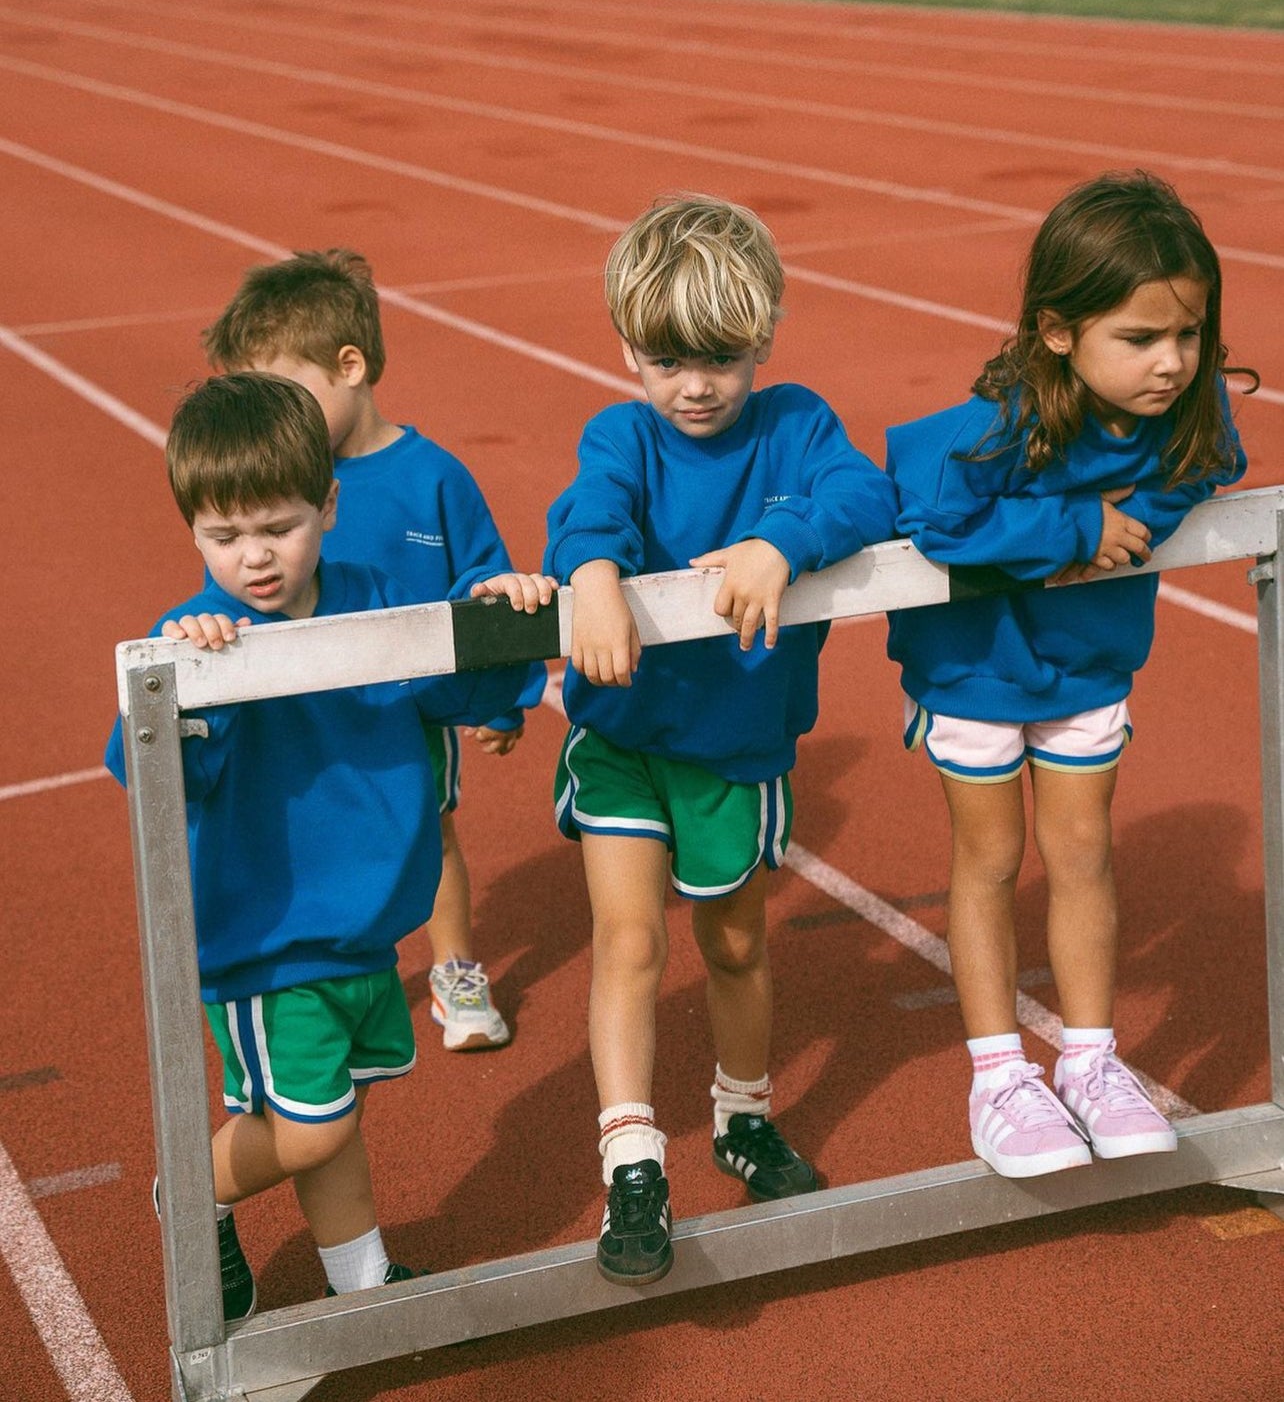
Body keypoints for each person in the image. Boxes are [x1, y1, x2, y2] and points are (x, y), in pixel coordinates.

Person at [106, 373, 552, 1320]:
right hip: (269, 940)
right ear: (192, 531)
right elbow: (140, 768)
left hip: (364, 930)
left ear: (330, 506)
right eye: (224, 538)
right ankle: (187, 1195)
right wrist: (192, 677)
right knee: (311, 1131)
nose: (255, 558)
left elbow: (467, 684)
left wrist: (499, 606)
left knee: (332, 1123)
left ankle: (362, 1283)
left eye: (279, 528)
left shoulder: (377, 599)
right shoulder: (197, 642)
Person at [544, 194, 899, 1284]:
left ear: (763, 337)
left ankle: (744, 1116)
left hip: (734, 751)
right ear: (626, 350)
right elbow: (588, 506)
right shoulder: (623, 433)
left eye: (719, 359)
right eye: (664, 360)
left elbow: (863, 492)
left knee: (735, 945)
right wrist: (595, 576)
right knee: (630, 942)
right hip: (624, 740)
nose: (693, 386)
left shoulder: (795, 425)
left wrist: (778, 544)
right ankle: (633, 1157)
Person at [885, 170, 1254, 1180]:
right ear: (1056, 331)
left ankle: (1091, 1061)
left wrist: (1142, 523)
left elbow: (1210, 467)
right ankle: (1000, 1075)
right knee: (992, 858)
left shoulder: (1192, 409)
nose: (1172, 362)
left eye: (1188, 334)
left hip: (1088, 666)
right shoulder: (1000, 419)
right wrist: (1072, 528)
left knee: (1084, 850)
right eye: (1139, 340)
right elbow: (926, 506)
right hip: (975, 671)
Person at [202, 249, 542, 1052]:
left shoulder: (433, 477)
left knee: (435, 824)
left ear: (349, 365)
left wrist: (500, 702)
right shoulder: (278, 490)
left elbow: (485, 581)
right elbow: (231, 591)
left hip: (409, 706)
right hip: (303, 710)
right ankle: (325, 967)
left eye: (283, 393)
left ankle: (455, 970)